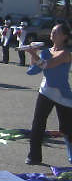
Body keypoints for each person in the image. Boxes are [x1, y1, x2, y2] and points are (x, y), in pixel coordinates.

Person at [24, 23, 72, 165]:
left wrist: (33, 53)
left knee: (67, 129)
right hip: (45, 92)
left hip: (62, 95)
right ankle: (34, 156)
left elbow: (46, 65)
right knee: (37, 124)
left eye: (56, 32)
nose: (53, 34)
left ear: (64, 36)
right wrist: (33, 54)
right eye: (52, 31)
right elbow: (33, 70)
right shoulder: (45, 52)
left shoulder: (65, 54)